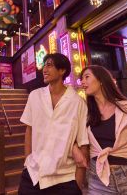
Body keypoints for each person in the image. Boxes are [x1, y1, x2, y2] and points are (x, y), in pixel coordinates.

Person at [73, 65, 127, 195]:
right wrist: (74, 149)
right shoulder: (85, 112)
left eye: (87, 77)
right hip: (98, 180)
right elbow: (70, 135)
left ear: (101, 80)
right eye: (81, 78)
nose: (82, 82)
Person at [18, 53, 89, 194]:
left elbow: (83, 142)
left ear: (62, 70)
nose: (44, 69)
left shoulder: (77, 103)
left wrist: (78, 184)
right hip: (33, 175)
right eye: (44, 65)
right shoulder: (35, 96)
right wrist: (27, 161)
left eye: (49, 65)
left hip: (64, 179)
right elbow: (29, 130)